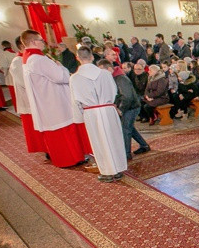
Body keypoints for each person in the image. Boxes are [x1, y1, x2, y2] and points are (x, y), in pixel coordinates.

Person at [20, 30, 88, 168]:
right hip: (55, 101)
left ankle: (67, 158)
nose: (43, 42)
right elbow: (60, 77)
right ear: (33, 42)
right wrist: (61, 67)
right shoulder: (39, 59)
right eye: (41, 40)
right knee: (65, 129)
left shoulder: (28, 58)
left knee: (57, 131)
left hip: (47, 101)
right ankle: (71, 159)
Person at [69, 47, 128, 182]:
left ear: (77, 58)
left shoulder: (75, 78)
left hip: (91, 112)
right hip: (108, 109)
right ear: (92, 57)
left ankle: (107, 172)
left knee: (98, 141)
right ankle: (118, 168)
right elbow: (114, 91)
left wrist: (79, 118)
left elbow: (75, 100)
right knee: (114, 138)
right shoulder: (105, 74)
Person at [97, 59, 150, 160]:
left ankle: (126, 154)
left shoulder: (120, 78)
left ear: (109, 69)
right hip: (127, 106)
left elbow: (127, 96)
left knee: (126, 129)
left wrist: (121, 109)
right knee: (129, 128)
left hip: (131, 106)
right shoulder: (114, 77)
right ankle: (144, 145)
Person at [9, 37, 46, 154]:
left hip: (37, 97)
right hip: (28, 100)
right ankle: (44, 148)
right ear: (22, 46)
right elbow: (24, 82)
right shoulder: (17, 61)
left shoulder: (29, 58)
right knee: (35, 126)